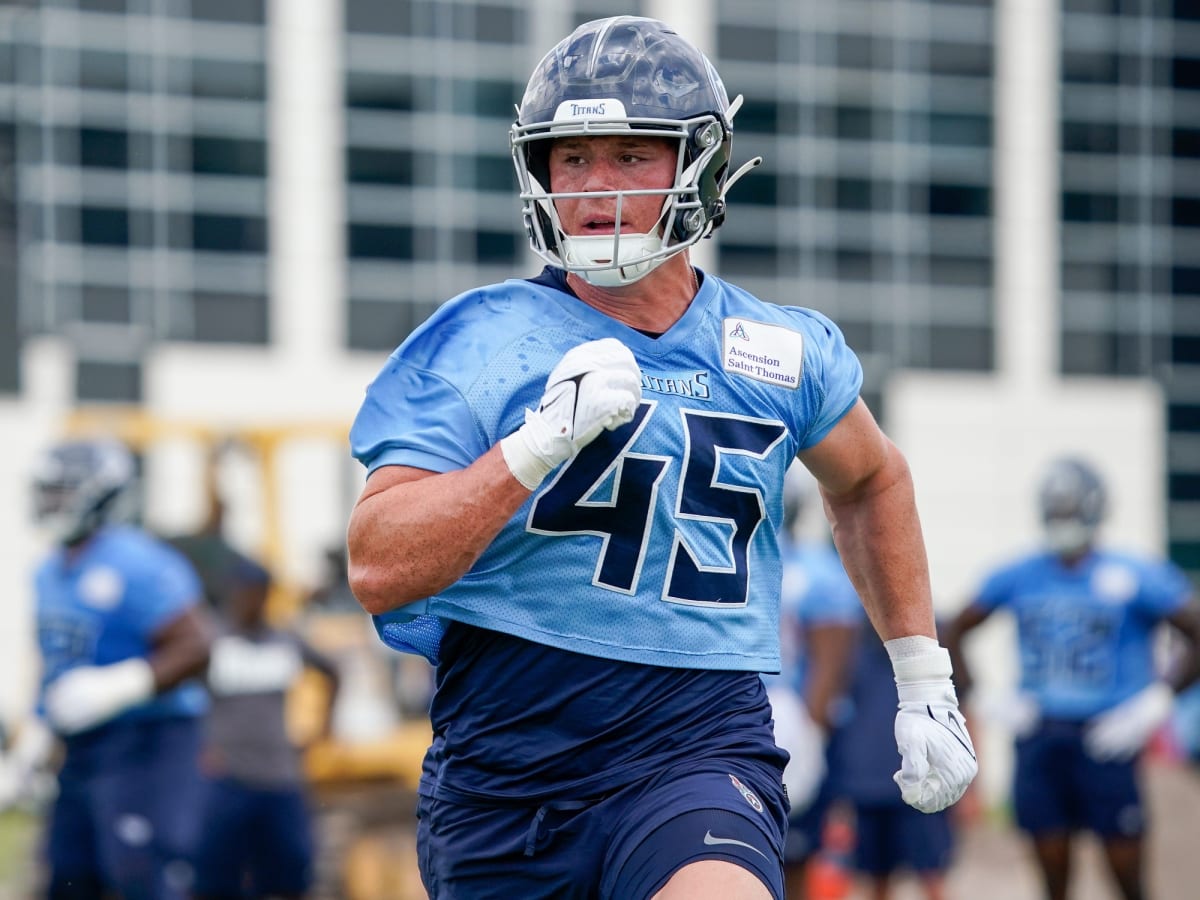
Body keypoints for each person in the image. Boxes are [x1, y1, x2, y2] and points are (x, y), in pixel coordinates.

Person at [346, 16, 977, 900]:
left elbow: (872, 477)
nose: (597, 188)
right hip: (506, 765)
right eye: (572, 159)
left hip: (697, 743)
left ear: (700, 167)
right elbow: (378, 562)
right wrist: (529, 452)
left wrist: (923, 677)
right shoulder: (474, 342)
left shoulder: (776, 348)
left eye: (632, 156)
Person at [943, 456, 1200, 900]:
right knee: (1052, 874)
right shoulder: (1022, 573)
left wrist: (1156, 701)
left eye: (1070, 510)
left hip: (1110, 734)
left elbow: (1195, 632)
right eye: (1056, 510)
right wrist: (981, 696)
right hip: (1042, 732)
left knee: (1128, 876)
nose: (1063, 521)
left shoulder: (1133, 573)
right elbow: (954, 628)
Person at [25, 437, 213, 899]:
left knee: (140, 873)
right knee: (68, 875)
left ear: (100, 494)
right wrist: (36, 736)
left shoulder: (136, 560)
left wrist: (121, 686)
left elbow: (197, 646)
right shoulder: (48, 570)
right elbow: (59, 664)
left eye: (64, 491)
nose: (52, 501)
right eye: (48, 490)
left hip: (148, 740)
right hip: (83, 747)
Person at [192, 556, 341, 900]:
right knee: (217, 878)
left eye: (258, 593)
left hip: (280, 777)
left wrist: (324, 728)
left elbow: (332, 671)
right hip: (228, 776)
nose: (251, 600)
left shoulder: (284, 641)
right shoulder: (213, 641)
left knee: (289, 876)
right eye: (245, 592)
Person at [763, 464, 863, 898]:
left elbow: (830, 663)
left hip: (788, 719)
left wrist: (812, 732)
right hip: (728, 711)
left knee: (793, 851)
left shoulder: (815, 571)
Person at [828, 627, 957, 900]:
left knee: (932, 873)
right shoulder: (847, 631)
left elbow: (961, 704)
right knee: (875, 878)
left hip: (923, 777)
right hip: (865, 782)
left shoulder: (935, 629)